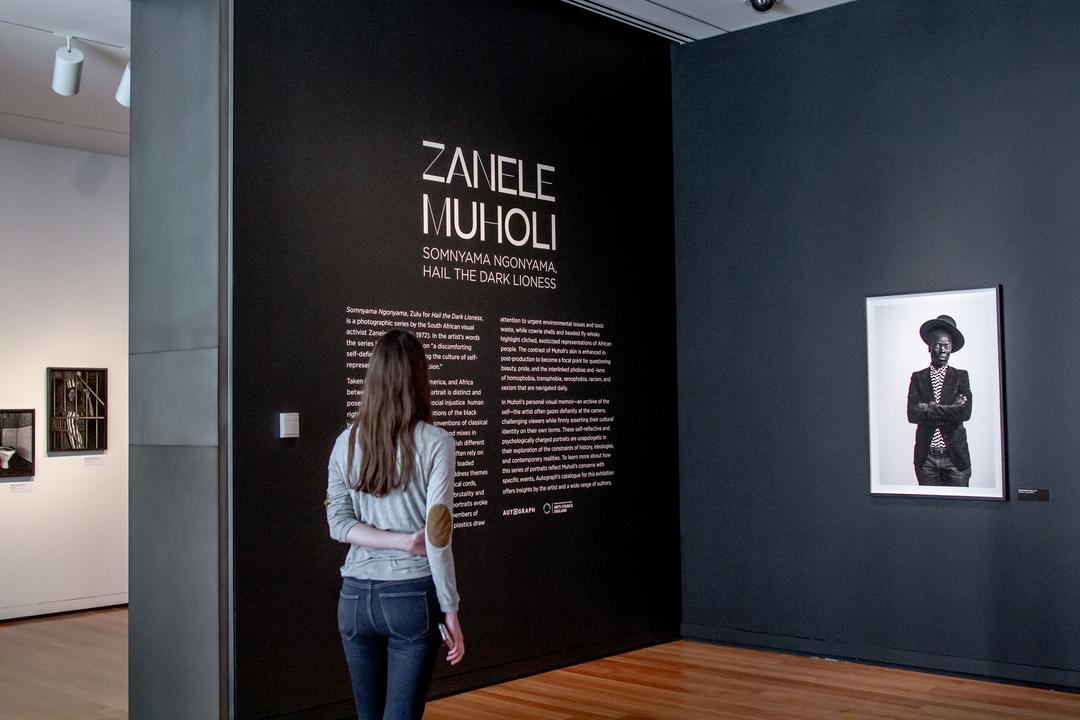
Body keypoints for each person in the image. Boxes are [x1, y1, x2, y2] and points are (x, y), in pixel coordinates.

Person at [326, 329, 464, 720]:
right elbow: (438, 535)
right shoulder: (437, 442)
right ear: (419, 379)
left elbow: (338, 523)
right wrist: (450, 609)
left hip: (353, 598)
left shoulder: (345, 442)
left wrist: (395, 541)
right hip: (410, 598)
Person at [906, 314, 972, 486]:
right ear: (930, 347)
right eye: (938, 345)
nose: (942, 350)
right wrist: (951, 409)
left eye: (946, 346)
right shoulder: (918, 377)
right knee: (928, 511)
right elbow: (912, 415)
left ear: (951, 348)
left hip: (955, 457)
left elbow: (965, 412)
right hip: (926, 459)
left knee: (960, 510)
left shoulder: (960, 376)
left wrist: (929, 408)